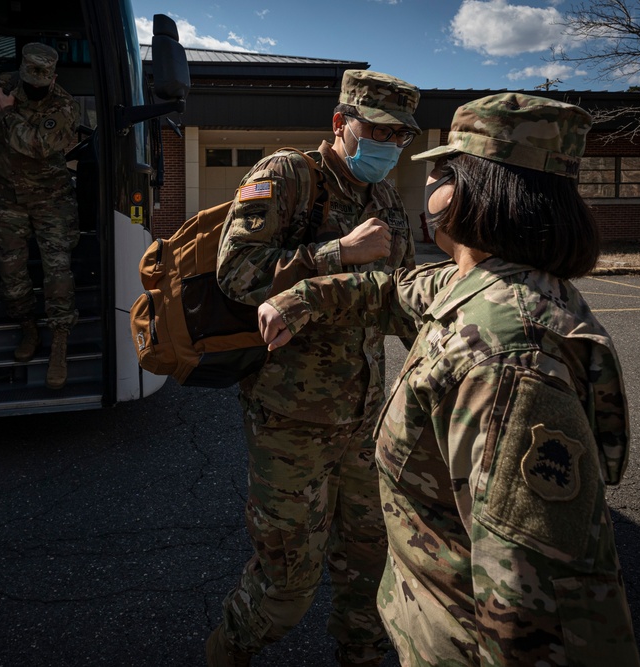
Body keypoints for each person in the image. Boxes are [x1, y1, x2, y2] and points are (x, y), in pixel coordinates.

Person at [258, 93, 640, 666]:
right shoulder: (482, 283)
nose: (427, 182)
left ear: (473, 191)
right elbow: (393, 287)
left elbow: (538, 620)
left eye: (441, 170)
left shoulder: (510, 367)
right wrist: (305, 297)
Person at [209, 70, 421, 667]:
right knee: (288, 584)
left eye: (398, 136)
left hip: (363, 414)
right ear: (339, 123)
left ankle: (361, 654)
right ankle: (226, 651)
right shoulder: (287, 176)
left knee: (370, 558)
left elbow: (395, 294)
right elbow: (237, 273)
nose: (387, 144)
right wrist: (339, 253)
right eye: (375, 130)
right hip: (289, 420)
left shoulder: (385, 199)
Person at [0, 42, 81, 390]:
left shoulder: (64, 105)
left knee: (58, 271)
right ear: (21, 73)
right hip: (5, 198)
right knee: (11, 274)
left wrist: (8, 113)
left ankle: (59, 342)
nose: (33, 90)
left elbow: (38, 146)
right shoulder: (3, 86)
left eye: (40, 85)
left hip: (51, 201)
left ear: (53, 78)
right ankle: (29, 329)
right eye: (28, 83)